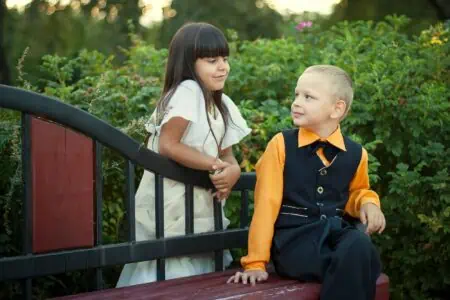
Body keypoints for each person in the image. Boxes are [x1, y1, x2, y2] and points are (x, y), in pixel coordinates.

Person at [228, 65, 386, 300]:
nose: (296, 102)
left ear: (337, 109)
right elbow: (266, 204)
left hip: (334, 240)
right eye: (297, 95)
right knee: (360, 260)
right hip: (294, 244)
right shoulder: (281, 145)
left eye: (308, 97)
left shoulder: (356, 153)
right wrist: (256, 264)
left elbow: (358, 191)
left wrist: (369, 203)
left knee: (359, 245)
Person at [116, 22, 251, 287]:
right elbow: (169, 144)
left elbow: (228, 155)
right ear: (188, 63)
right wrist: (215, 166)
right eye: (212, 60)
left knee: (194, 269)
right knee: (171, 272)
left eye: (225, 59)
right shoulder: (188, 91)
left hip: (198, 203)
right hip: (172, 201)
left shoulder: (221, 103)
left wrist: (232, 170)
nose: (223, 66)